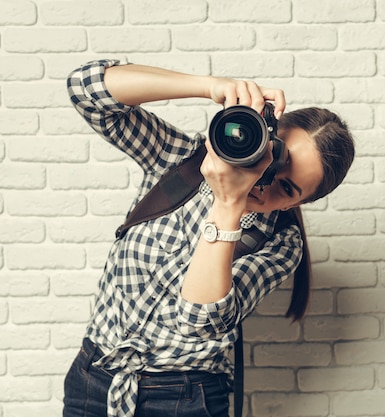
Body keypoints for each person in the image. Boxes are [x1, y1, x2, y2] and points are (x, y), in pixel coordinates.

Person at [62, 59, 355, 417]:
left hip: (183, 399)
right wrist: (209, 85)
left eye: (287, 188)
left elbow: (197, 322)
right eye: (274, 157)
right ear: (261, 132)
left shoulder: (281, 243)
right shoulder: (182, 158)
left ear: (301, 202)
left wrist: (228, 203)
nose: (266, 180)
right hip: (92, 379)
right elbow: (85, 90)